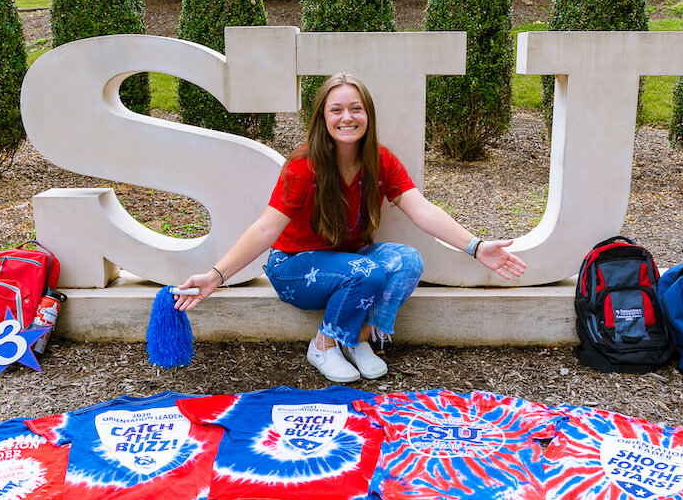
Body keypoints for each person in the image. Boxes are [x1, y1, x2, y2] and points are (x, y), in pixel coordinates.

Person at [175, 73, 525, 382]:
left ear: (368, 116)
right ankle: (324, 343)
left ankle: (357, 337)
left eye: (356, 109)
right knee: (367, 273)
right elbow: (266, 229)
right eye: (336, 110)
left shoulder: (380, 160)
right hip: (293, 267)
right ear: (322, 118)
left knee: (408, 260)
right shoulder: (302, 167)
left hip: (347, 260)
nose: (347, 117)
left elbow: (423, 210)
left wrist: (476, 247)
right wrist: (216, 275)